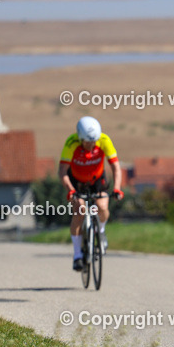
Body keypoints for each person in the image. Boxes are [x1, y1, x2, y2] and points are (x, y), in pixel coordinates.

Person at [59, 116, 124, 271]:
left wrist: (116, 188)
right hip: (76, 181)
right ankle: (77, 255)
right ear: (80, 139)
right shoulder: (71, 143)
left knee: (102, 206)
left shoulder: (104, 140)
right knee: (79, 210)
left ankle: (100, 232)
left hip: (97, 180)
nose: (91, 145)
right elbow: (62, 171)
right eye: (88, 142)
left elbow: (116, 167)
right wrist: (70, 190)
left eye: (93, 141)